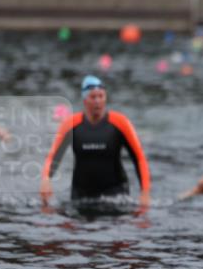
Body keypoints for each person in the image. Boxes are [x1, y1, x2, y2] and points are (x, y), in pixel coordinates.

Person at [40, 76, 151, 207]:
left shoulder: (120, 123)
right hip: (81, 195)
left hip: (116, 195)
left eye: (101, 96)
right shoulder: (70, 124)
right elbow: (53, 157)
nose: (98, 101)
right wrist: (46, 179)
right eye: (93, 97)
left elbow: (139, 158)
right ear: (85, 100)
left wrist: (145, 192)